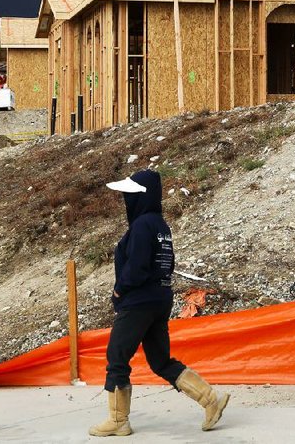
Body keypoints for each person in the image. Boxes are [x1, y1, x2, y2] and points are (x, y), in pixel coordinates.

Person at [89, 169, 230, 437]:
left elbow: (138, 267)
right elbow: (168, 264)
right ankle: (211, 400)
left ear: (141, 197)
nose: (125, 200)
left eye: (129, 195)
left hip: (138, 302)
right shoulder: (160, 226)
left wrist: (119, 290)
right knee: (161, 361)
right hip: (159, 300)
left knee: (117, 357)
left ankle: (118, 421)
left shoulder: (141, 226)